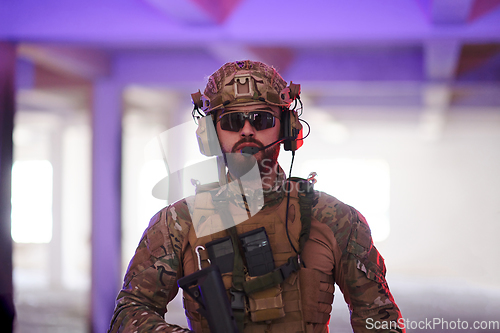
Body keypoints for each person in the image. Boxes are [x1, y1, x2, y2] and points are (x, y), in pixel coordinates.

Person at [108, 60, 404, 333]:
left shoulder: (334, 218)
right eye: (232, 122)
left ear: (288, 128)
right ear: (210, 135)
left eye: (261, 119)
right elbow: (129, 312)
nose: (247, 131)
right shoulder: (178, 223)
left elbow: (380, 320)